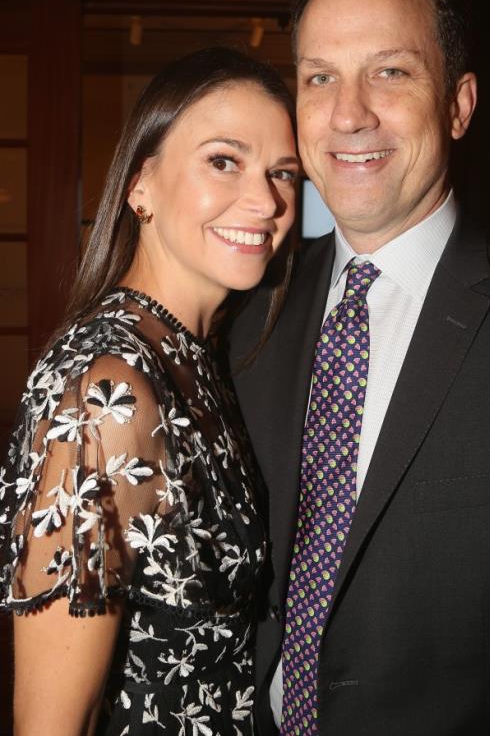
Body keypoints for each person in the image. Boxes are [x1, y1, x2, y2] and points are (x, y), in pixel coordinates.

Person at [229, 0, 490, 736]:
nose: (349, 113)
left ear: (459, 104)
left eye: (390, 72)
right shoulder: (243, 316)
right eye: (319, 77)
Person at [0, 46, 299, 735]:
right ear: (141, 185)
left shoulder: (195, 354)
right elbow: (51, 722)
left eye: (282, 171)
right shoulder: (107, 391)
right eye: (224, 160)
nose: (267, 201)